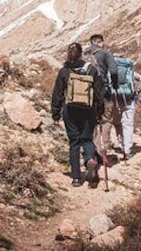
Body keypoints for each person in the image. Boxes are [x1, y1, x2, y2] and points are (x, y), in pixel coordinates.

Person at [51, 42, 104, 187]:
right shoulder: (91, 69)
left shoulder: (64, 71)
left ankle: (75, 178)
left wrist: (55, 113)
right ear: (81, 54)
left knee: (74, 142)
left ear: (68, 54)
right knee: (87, 139)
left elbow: (57, 94)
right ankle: (89, 160)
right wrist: (100, 111)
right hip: (89, 110)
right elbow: (99, 92)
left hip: (70, 110)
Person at [84, 34, 119, 157]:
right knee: (106, 119)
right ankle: (103, 148)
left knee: (91, 120)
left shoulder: (84, 54)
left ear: (91, 42)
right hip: (103, 91)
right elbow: (114, 71)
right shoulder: (105, 53)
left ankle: (92, 148)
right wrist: (115, 84)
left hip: (86, 92)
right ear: (102, 42)